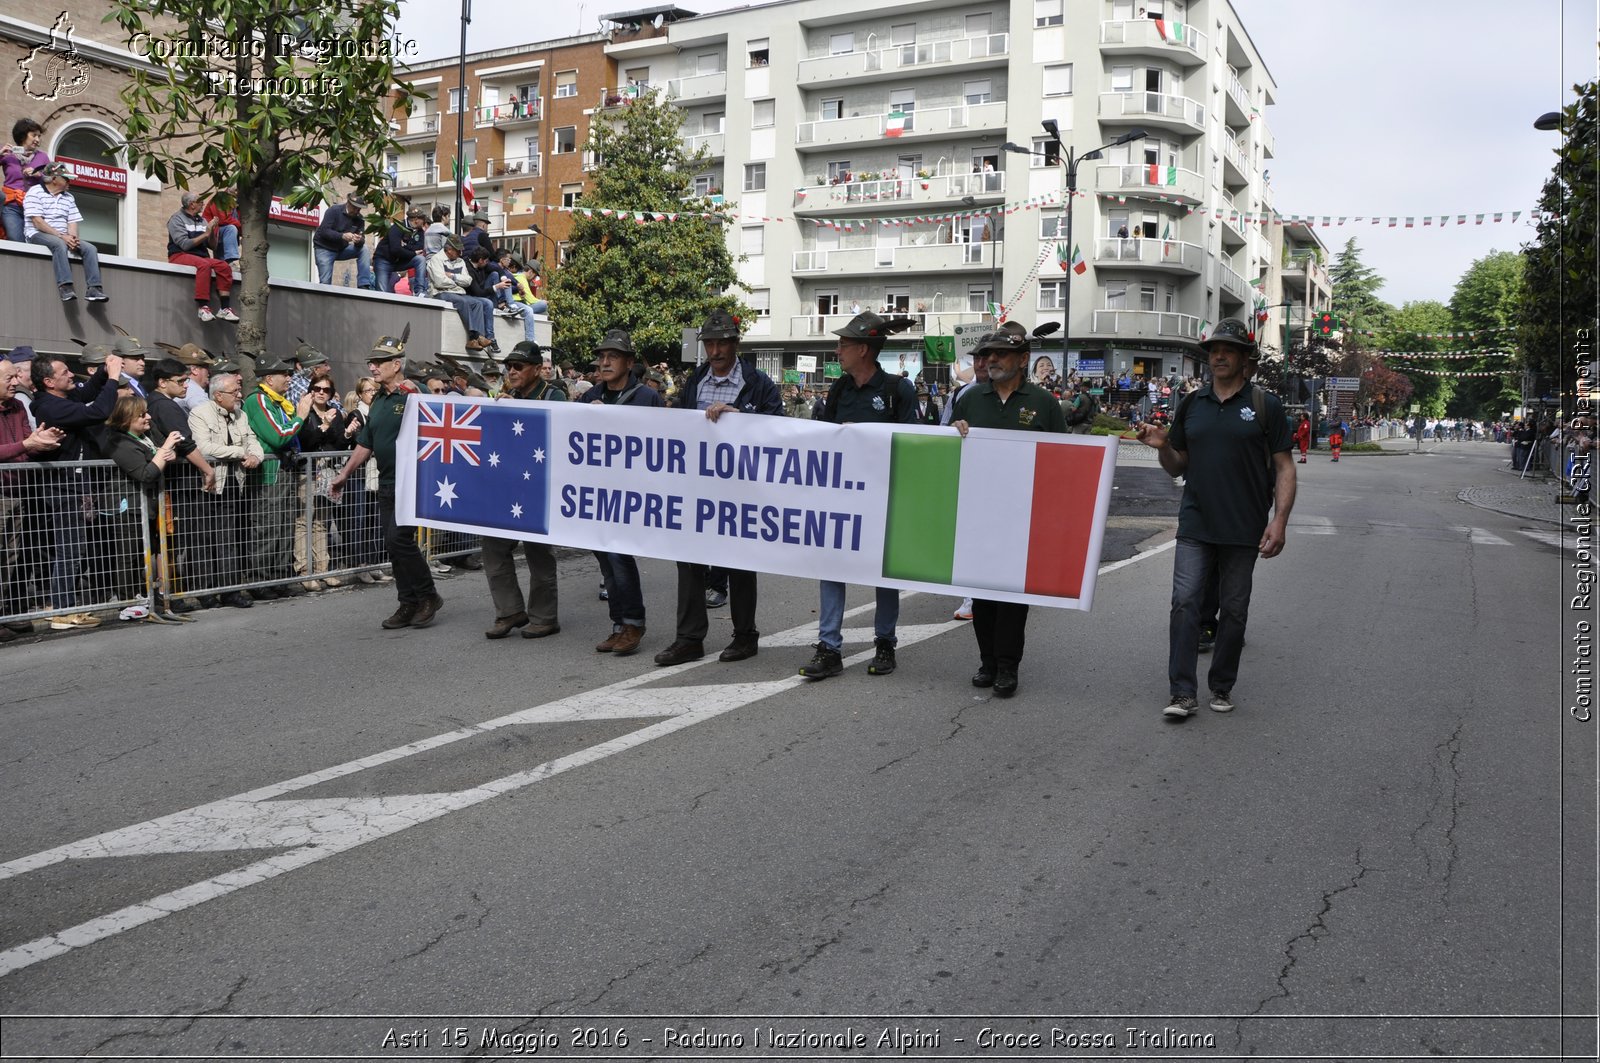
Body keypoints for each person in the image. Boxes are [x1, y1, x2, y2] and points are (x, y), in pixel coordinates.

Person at [1133, 317, 1296, 720]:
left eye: (1228, 350)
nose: (1218, 356)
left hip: (1245, 529)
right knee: (1185, 603)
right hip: (1195, 525)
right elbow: (1176, 466)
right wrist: (1162, 446)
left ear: (1244, 359)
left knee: (1234, 611)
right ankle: (1182, 692)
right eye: (1213, 351)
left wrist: (1279, 521)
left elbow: (1285, 467)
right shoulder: (1191, 403)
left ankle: (1221, 684)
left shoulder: (1264, 405)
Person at [655, 308, 784, 667]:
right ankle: (689, 638)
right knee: (690, 562)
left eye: (721, 343)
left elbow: (781, 432)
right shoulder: (695, 381)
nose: (715, 351)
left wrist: (741, 419)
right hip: (698, 487)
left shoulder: (759, 384)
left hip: (741, 489)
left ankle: (745, 636)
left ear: (735, 344)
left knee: (740, 562)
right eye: (709, 343)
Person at [799, 311, 918, 681]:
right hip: (843, 495)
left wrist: (865, 434)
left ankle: (885, 642)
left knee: (884, 570)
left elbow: (912, 443)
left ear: (863, 349)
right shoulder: (839, 389)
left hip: (884, 496)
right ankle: (829, 647)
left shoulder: (899, 389)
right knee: (832, 566)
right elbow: (826, 437)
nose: (837, 350)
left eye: (844, 344)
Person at [950, 325, 1068, 697]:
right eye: (990, 354)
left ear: (1022, 360)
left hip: (1022, 516)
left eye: (1001, 354)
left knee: (1013, 598)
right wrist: (955, 431)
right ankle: (986, 661)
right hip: (979, 513)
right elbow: (947, 449)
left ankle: (1007, 666)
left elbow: (1062, 458)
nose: (993, 360)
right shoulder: (970, 399)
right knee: (982, 596)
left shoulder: (1044, 403)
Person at [328, 331, 444, 630]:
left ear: (396, 364)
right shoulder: (378, 400)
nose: (373, 367)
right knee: (393, 545)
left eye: (379, 362)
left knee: (398, 539)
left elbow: (436, 431)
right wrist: (343, 475)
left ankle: (428, 595)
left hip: (412, 480)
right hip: (387, 482)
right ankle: (407, 603)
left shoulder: (413, 395)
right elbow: (365, 444)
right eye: (371, 362)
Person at [577, 329, 662, 657]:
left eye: (613, 356)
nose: (605, 361)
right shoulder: (590, 395)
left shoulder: (645, 397)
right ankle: (617, 624)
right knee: (604, 558)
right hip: (597, 489)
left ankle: (633, 622)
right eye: (602, 356)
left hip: (629, 491)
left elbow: (655, 443)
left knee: (619, 556)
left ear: (628, 362)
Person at [30, 350, 125, 628]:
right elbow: (97, 410)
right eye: (64, 373)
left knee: (74, 549)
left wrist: (105, 372)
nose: (71, 375)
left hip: (75, 486)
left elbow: (87, 393)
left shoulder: (64, 396)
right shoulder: (51, 407)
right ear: (49, 382)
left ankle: (66, 606)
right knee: (69, 550)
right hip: (63, 488)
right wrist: (115, 379)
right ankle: (62, 611)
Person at [480, 341, 566, 640]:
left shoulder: (555, 394)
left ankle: (544, 617)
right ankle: (510, 611)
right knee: (492, 547)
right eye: (509, 366)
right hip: (507, 485)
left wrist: (518, 409)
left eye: (518, 366)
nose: (512, 371)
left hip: (538, 486)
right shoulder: (508, 397)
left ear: (536, 368)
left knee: (538, 553)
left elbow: (559, 428)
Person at [103, 394, 191, 623]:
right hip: (128, 507)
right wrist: (164, 452)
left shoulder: (144, 436)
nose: (148, 417)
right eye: (142, 415)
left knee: (145, 552)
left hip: (147, 505)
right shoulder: (119, 441)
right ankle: (126, 601)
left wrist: (165, 454)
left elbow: (156, 460)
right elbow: (146, 473)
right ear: (126, 419)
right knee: (128, 554)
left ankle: (142, 596)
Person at [0, 359, 64, 637]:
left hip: (17, 493)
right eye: (9, 378)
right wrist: (27, 444)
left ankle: (6, 613)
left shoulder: (16, 406)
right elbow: (20, 446)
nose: (16, 382)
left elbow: (27, 445)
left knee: (11, 558)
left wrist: (42, 439)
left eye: (16, 376)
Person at [187, 372, 261, 608]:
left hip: (234, 483)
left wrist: (256, 457)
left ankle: (231, 591)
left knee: (230, 539)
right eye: (234, 392)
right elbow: (204, 447)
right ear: (218, 395)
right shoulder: (200, 413)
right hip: (209, 485)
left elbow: (252, 439)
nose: (239, 395)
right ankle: (205, 592)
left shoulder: (240, 414)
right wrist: (240, 453)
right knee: (205, 541)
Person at [243, 355, 313, 597]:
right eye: (284, 374)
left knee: (284, 526)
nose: (289, 378)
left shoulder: (279, 402)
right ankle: (260, 582)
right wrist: (301, 415)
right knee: (267, 527)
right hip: (269, 475)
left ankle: (280, 578)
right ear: (269, 378)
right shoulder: (258, 400)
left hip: (285, 471)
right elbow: (278, 436)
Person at [295, 370, 358, 590]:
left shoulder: (335, 412)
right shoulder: (304, 412)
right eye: (317, 389)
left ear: (331, 393)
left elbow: (339, 444)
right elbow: (305, 442)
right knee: (304, 522)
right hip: (307, 472)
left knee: (322, 522)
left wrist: (348, 433)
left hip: (327, 473)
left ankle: (323, 569)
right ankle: (305, 571)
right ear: (311, 391)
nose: (321, 393)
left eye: (326, 390)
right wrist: (323, 426)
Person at [24, 163, 108, 303]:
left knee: (91, 249)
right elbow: (37, 222)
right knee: (59, 244)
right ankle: (65, 287)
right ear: (54, 179)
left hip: (63, 236)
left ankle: (94, 289)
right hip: (37, 233)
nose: (70, 181)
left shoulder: (69, 197)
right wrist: (62, 236)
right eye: (66, 178)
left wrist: (73, 238)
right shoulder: (34, 192)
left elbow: (72, 221)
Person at [167, 192, 239, 323]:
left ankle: (224, 308)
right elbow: (184, 244)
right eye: (200, 201)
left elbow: (213, 246)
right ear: (192, 204)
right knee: (204, 265)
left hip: (201, 256)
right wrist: (206, 234)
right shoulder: (176, 219)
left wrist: (211, 232)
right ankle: (202, 308)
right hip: (180, 255)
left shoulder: (202, 220)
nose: (203, 204)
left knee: (224, 266)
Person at [427, 236, 497, 352]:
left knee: (477, 303)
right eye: (458, 250)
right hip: (440, 293)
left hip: (458, 293)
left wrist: (453, 277)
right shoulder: (436, 259)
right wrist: (458, 283)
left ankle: (479, 337)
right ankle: (474, 337)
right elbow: (440, 282)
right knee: (463, 302)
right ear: (449, 250)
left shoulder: (461, 261)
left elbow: (468, 281)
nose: (461, 252)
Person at [2, 119, 50, 243]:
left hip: (34, 206)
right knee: (15, 239)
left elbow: (51, 180)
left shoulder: (42, 157)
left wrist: (38, 174)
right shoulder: (8, 153)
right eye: (34, 135)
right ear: (23, 135)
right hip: (12, 204)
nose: (38, 140)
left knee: (36, 241)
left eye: (39, 136)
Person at [313, 192, 374, 289]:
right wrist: (342, 236)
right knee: (325, 283)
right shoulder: (333, 210)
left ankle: (364, 285)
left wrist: (359, 241)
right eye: (354, 208)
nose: (357, 211)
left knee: (364, 249)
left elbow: (362, 239)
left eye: (359, 209)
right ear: (348, 204)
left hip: (341, 249)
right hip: (324, 248)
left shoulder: (359, 219)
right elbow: (324, 231)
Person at [376, 206, 429, 296]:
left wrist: (404, 246)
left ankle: (419, 291)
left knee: (420, 259)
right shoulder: (398, 227)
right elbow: (395, 249)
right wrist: (412, 251)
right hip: (384, 260)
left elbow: (419, 248)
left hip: (400, 261)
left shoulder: (420, 232)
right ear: (416, 219)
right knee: (382, 292)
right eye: (423, 219)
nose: (424, 222)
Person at [200, 192, 241, 265]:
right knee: (231, 229)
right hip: (212, 232)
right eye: (236, 189)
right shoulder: (220, 199)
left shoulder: (239, 202)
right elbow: (223, 219)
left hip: (220, 233)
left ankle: (224, 265)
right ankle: (231, 259)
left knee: (220, 263)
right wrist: (241, 226)